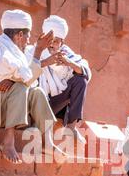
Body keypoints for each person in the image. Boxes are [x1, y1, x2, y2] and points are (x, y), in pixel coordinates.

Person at [0, 9, 65, 164]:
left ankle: (48, 141)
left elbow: (28, 80)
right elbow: (24, 77)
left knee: (37, 92)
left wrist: (13, 80)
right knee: (20, 88)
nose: (28, 40)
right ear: (19, 35)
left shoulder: (16, 52)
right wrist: (38, 51)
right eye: (27, 35)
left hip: (0, 106)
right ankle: (8, 141)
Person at [35, 15, 91, 144]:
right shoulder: (33, 51)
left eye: (56, 41)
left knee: (80, 79)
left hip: (56, 105)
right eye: (49, 40)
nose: (52, 44)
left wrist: (69, 63)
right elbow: (25, 73)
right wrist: (45, 62)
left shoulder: (67, 54)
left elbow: (87, 73)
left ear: (62, 43)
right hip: (37, 103)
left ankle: (71, 127)